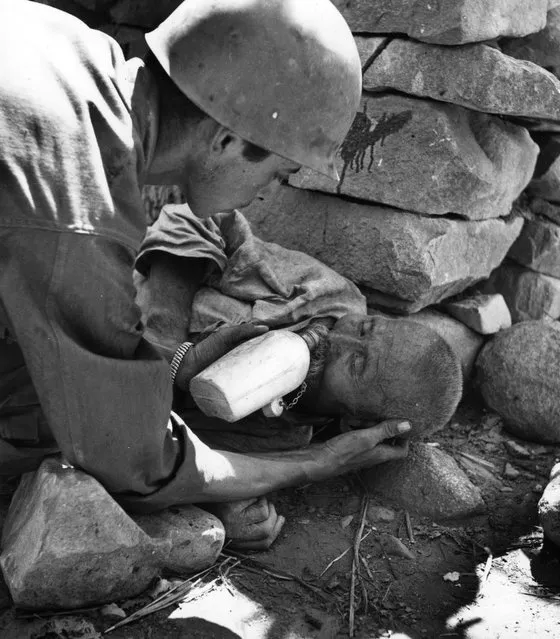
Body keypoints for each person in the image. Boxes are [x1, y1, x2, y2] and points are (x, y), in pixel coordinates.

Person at [0, 0, 412, 551]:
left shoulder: (57, 39)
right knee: (44, 429)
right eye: (278, 171)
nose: (264, 193)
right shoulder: (80, 211)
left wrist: (178, 365)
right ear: (223, 140)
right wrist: (313, 463)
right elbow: (134, 463)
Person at [135, 204, 464, 546]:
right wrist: (165, 339)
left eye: (356, 364)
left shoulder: (278, 441)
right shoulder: (329, 300)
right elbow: (200, 217)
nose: (338, 337)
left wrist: (225, 500)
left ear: (354, 424)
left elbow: (158, 459)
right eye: (366, 327)